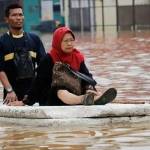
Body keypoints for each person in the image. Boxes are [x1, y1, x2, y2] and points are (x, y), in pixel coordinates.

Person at [8, 26, 117, 106]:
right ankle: (84, 99)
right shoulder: (49, 59)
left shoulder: (77, 57)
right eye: (65, 41)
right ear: (57, 42)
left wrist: (90, 88)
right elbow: (38, 82)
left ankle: (95, 98)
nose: (69, 44)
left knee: (88, 87)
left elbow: (86, 76)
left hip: (74, 92)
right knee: (60, 89)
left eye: (71, 40)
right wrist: (25, 102)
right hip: (52, 97)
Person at [0, 3, 46, 104]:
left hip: (32, 94)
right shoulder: (2, 42)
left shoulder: (35, 39)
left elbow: (43, 67)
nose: (18, 18)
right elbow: (0, 70)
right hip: (11, 96)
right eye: (14, 15)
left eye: (20, 15)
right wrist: (9, 91)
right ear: (6, 19)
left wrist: (36, 90)